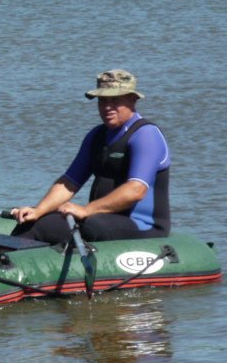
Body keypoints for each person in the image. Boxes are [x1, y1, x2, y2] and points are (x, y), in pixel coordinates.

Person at [12, 69, 170, 243]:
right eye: (102, 101)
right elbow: (69, 183)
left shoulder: (146, 135)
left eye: (115, 100)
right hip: (98, 219)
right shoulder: (96, 136)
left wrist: (86, 210)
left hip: (143, 225)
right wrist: (38, 210)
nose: (107, 107)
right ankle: (2, 267)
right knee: (32, 224)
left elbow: (136, 190)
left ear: (133, 99)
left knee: (93, 226)